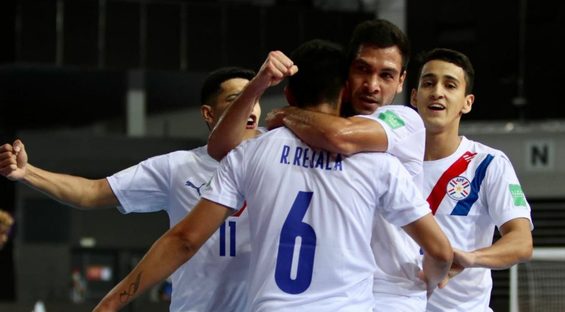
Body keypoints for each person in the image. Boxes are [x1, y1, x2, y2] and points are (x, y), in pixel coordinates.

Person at [92, 39, 453, 312]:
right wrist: (431, 281)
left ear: (290, 92)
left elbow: (184, 240)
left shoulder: (250, 154)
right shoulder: (378, 162)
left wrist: (111, 303)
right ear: (345, 90)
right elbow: (439, 251)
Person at [0, 66, 262, 312]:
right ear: (208, 113)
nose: (249, 107)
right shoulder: (178, 167)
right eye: (237, 99)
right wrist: (27, 173)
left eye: (256, 98)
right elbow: (92, 192)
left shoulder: (279, 158)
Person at [264, 19, 430, 311]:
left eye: (387, 75)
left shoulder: (406, 121)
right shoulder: (308, 129)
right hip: (333, 291)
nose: (372, 85)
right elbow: (224, 150)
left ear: (402, 81)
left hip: (393, 293)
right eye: (363, 69)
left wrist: (288, 113)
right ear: (346, 71)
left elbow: (340, 137)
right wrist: (258, 87)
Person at [409, 48, 533, 311]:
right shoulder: (390, 161)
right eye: (428, 83)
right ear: (414, 96)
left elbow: (522, 242)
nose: (437, 91)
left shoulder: (488, 164)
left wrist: (471, 258)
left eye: (450, 85)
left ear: (468, 102)